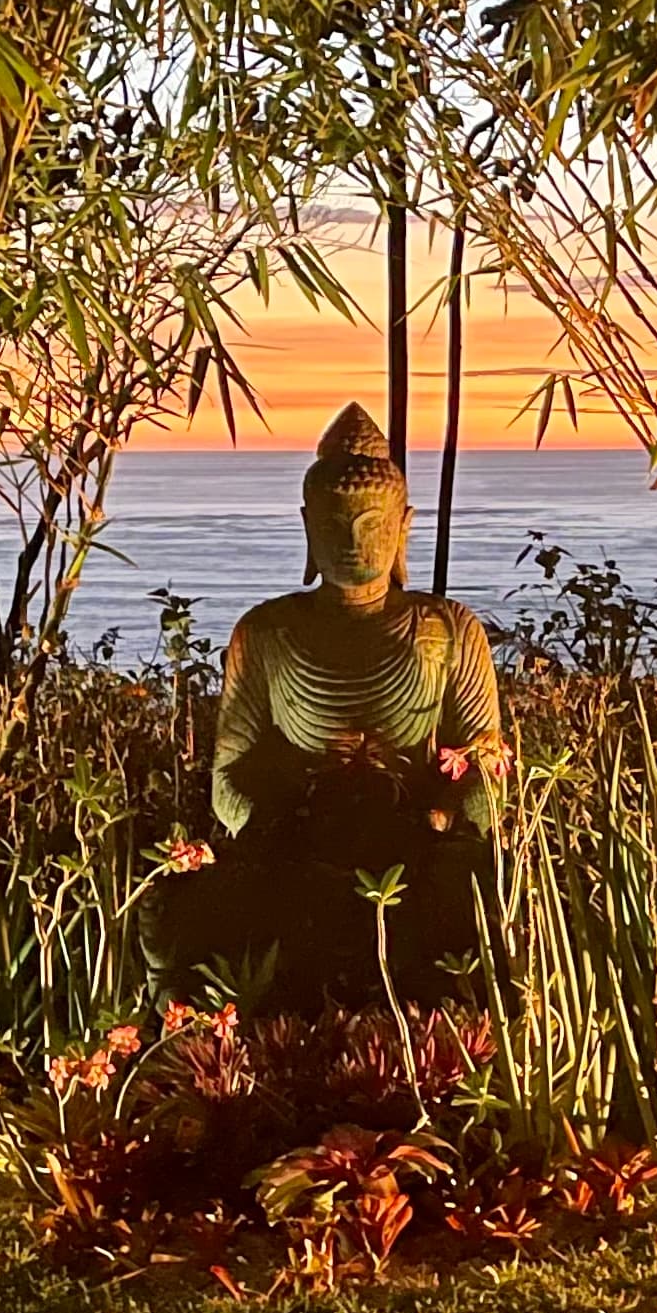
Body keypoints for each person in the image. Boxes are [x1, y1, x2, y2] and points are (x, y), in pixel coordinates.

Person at [143, 405, 507, 1011]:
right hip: (297, 849)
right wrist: (285, 812)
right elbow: (227, 780)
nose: (353, 542)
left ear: (403, 528)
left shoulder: (447, 628)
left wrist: (441, 816)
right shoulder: (267, 633)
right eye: (336, 526)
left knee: (477, 906)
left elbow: (487, 770)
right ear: (308, 528)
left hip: (414, 844)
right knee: (173, 914)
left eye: (371, 525)